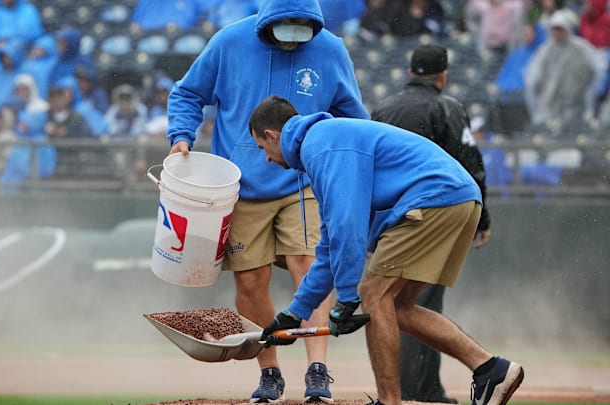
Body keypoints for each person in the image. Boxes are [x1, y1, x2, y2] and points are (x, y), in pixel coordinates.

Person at [251, 94, 524, 405]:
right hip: (457, 199)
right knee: (398, 307)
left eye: (262, 148)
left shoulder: (323, 145)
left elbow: (347, 228)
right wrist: (294, 312)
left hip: (434, 199)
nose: (267, 159)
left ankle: (389, 401)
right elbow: (329, 247)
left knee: (374, 295)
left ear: (271, 136)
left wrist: (348, 297)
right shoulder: (324, 143)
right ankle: (491, 369)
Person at [165, 0, 370, 402]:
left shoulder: (331, 49)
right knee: (251, 279)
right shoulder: (228, 42)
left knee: (308, 267)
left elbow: (353, 116)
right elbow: (187, 93)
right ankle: (270, 370)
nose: (294, 36)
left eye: (302, 27)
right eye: (285, 27)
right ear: (266, 22)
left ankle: (317, 370)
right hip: (241, 184)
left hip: (304, 180)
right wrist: (181, 137)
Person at [370, 44, 492, 404]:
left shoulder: (384, 108)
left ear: (409, 71)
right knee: (420, 303)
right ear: (443, 75)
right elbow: (470, 164)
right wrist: (482, 219)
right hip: (430, 214)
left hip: (389, 215)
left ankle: (403, 388)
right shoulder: (449, 107)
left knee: (386, 300)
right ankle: (421, 389)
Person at [524, 11, 607, 129]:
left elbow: (598, 68)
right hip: (551, 106)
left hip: (576, 105)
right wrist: (537, 92)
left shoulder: (580, 48)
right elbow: (533, 75)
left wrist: (588, 90)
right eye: (554, 29)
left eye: (560, 29)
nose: (557, 33)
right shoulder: (546, 50)